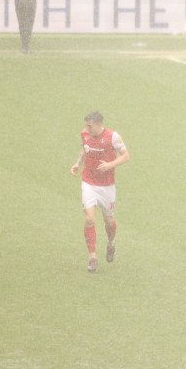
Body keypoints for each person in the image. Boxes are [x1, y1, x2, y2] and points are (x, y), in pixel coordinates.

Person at [69, 111, 130, 273]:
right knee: (89, 219)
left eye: (89, 125)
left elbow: (126, 156)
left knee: (109, 221)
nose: (86, 129)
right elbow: (85, 149)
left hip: (107, 186)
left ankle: (111, 243)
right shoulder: (85, 134)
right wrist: (77, 164)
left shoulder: (113, 137)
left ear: (98, 124)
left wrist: (110, 165)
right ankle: (92, 257)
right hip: (88, 183)